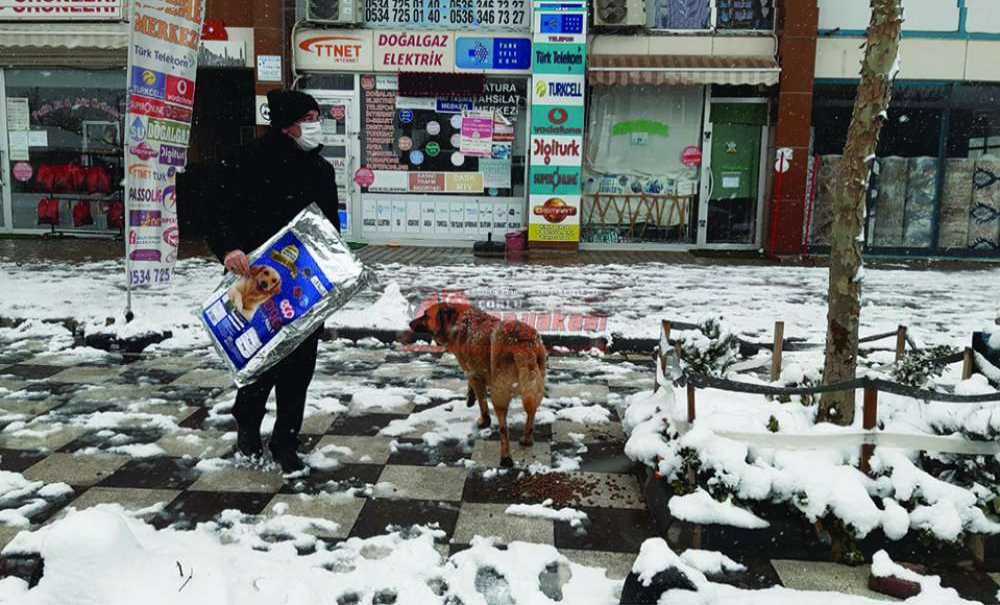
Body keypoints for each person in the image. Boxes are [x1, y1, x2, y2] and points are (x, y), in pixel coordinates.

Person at [205, 89, 339, 473]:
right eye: (309, 119)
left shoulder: (320, 169)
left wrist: (333, 270)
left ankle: (286, 440)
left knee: (300, 366)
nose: (316, 125)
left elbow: (329, 228)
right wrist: (229, 248)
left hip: (303, 286)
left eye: (317, 118)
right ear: (287, 124)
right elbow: (216, 211)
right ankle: (248, 425)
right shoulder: (243, 161)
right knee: (259, 361)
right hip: (254, 281)